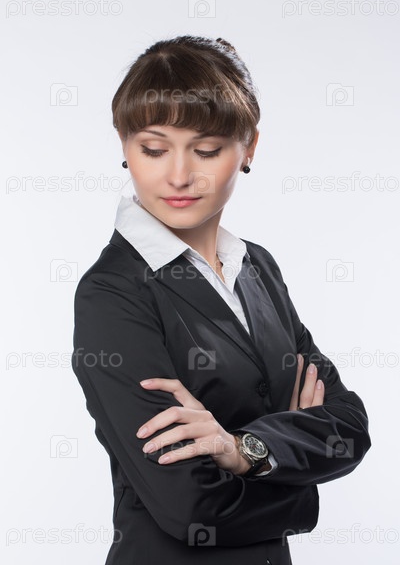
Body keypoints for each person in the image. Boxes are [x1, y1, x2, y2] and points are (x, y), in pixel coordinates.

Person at [71, 35, 371, 565]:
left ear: (249, 147)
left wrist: (240, 451)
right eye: (154, 149)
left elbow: (349, 427)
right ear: (124, 145)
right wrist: (300, 489)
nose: (179, 176)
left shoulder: (257, 267)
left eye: (206, 150)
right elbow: (192, 507)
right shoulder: (112, 294)